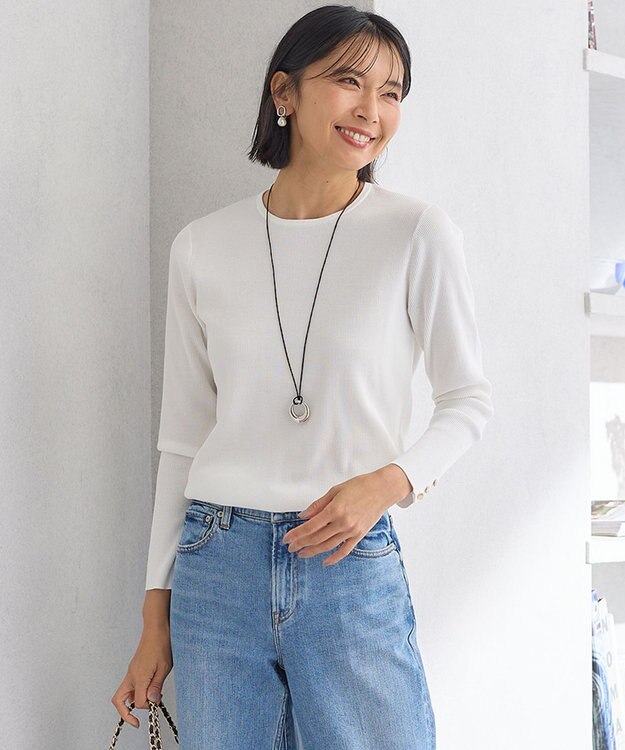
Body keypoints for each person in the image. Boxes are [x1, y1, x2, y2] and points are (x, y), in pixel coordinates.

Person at [112, 5, 494, 748]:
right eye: (349, 81)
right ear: (283, 92)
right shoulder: (201, 247)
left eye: (391, 92)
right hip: (215, 568)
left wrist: (386, 483)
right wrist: (155, 616)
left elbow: (467, 399)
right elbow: (183, 440)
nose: (371, 110)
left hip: (347, 562)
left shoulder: (415, 233)